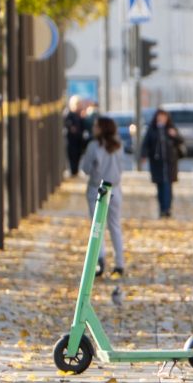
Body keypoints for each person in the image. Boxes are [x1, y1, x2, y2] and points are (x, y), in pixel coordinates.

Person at [80, 115, 126, 277]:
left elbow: (85, 168)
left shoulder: (93, 146)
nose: (93, 129)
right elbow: (122, 167)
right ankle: (119, 263)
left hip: (96, 189)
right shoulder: (119, 145)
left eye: (96, 126)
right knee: (114, 226)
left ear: (102, 128)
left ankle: (99, 259)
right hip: (115, 188)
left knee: (97, 226)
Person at [140, 109, 184, 218]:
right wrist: (144, 155)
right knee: (160, 186)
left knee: (168, 185)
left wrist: (174, 135)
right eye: (160, 117)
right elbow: (146, 144)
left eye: (163, 117)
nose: (161, 119)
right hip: (157, 163)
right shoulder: (152, 130)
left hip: (170, 163)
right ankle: (162, 208)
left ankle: (167, 208)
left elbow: (181, 141)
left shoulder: (171, 129)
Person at [64, 97, 88, 177]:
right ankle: (73, 171)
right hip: (72, 140)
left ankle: (75, 171)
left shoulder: (80, 115)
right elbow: (67, 123)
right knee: (73, 156)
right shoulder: (69, 114)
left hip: (79, 139)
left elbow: (84, 126)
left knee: (78, 155)